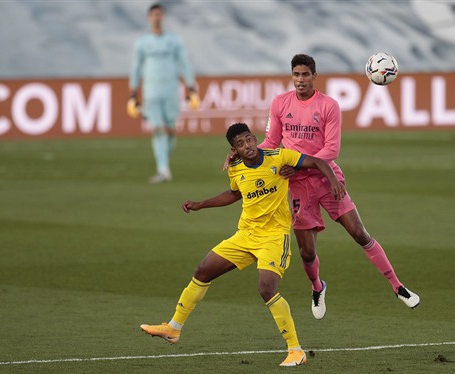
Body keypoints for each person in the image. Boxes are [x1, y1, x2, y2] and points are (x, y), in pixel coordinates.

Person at [226, 54, 420, 320]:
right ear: (292, 76)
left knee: (359, 233)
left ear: (314, 77)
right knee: (307, 251)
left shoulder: (329, 105)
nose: (300, 80)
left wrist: (310, 168)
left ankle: (398, 286)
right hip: (295, 185)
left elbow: (332, 148)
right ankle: (317, 287)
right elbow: (271, 141)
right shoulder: (280, 103)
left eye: (305, 75)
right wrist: (245, 153)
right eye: (296, 74)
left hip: (326, 178)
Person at [140, 122, 345, 367]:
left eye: (249, 140)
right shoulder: (235, 168)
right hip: (246, 235)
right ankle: (173, 328)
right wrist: (200, 204)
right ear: (234, 150)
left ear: (254, 138)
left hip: (274, 237)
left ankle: (295, 350)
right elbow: (235, 194)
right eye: (240, 144)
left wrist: (332, 179)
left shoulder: (279, 157)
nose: (247, 146)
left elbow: (317, 162)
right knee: (202, 271)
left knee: (267, 288)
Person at [127, 3, 200, 184]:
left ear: (163, 17)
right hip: (151, 92)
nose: (157, 17)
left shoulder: (174, 41)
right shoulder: (143, 43)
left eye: (159, 14)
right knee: (158, 130)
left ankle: (164, 165)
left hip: (170, 91)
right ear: (149, 18)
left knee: (170, 130)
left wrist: (190, 86)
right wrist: (133, 91)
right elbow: (136, 68)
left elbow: (184, 64)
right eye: (153, 15)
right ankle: (163, 169)